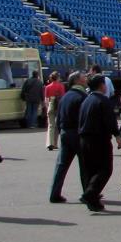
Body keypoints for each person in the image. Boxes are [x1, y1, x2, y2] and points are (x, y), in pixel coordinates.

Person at [78, 74, 121, 212]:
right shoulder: (103, 101)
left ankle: (94, 201)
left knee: (90, 170)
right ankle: (90, 194)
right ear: (102, 85)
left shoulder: (86, 100)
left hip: (84, 138)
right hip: (100, 139)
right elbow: (110, 121)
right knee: (105, 169)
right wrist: (117, 136)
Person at [49, 72, 88, 203]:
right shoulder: (82, 97)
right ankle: (87, 193)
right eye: (83, 77)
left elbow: (59, 117)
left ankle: (55, 193)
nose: (86, 79)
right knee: (85, 165)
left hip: (65, 133)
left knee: (61, 165)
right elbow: (84, 119)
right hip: (78, 134)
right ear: (77, 81)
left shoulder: (65, 97)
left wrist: (61, 132)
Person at [44, 72, 65, 151]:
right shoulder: (61, 86)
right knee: (58, 125)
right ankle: (55, 143)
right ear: (58, 77)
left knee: (51, 125)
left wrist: (47, 108)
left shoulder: (47, 87)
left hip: (50, 104)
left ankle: (50, 143)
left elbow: (46, 99)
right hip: (58, 105)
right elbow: (63, 97)